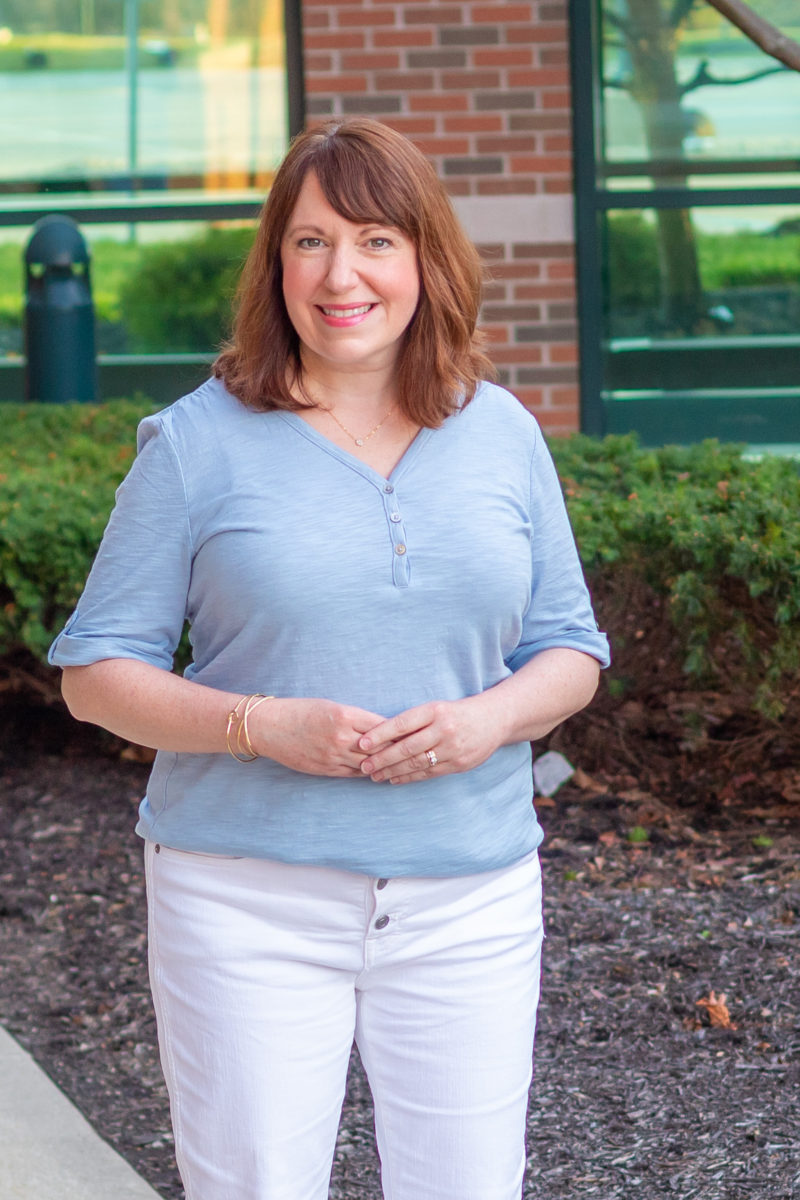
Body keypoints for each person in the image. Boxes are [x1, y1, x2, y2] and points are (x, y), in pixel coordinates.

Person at [49, 117, 610, 1200]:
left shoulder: (500, 431)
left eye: (373, 240)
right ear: (275, 265)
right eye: (309, 242)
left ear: (423, 260)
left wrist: (488, 721)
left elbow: (568, 649)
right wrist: (258, 724)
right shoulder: (194, 442)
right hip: (244, 900)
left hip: (471, 897)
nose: (339, 273)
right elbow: (94, 672)